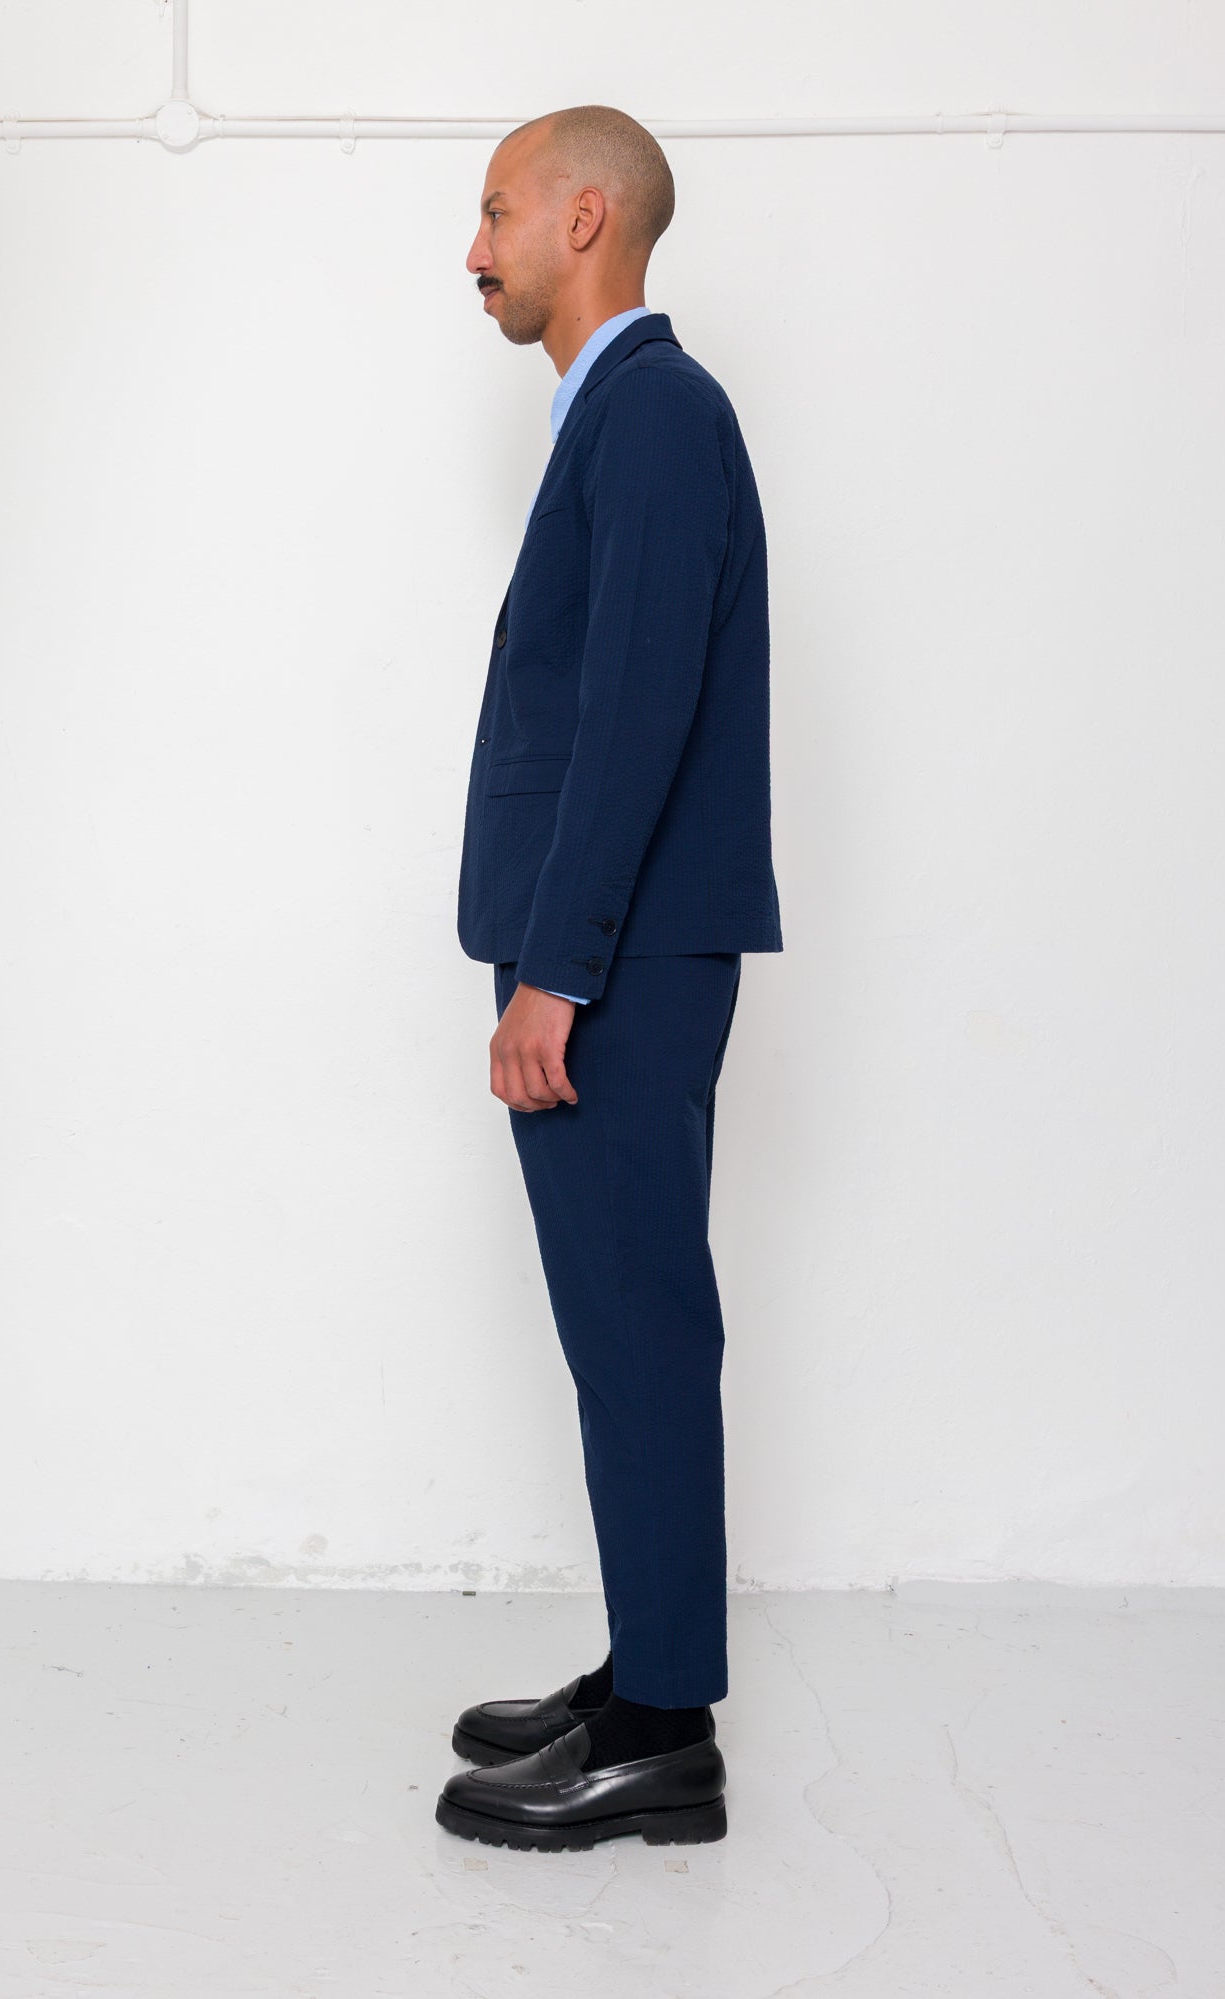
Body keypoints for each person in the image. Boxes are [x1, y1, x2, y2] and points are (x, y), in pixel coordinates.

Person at [437, 103, 783, 1851]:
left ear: (588, 217)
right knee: (619, 1324)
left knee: (637, 1325)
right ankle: (647, 1666)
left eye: (495, 212)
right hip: (610, 948)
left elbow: (635, 715)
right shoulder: (622, 417)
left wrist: (553, 975)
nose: (473, 248)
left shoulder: (651, 414)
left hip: (620, 959)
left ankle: (665, 1733)